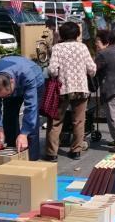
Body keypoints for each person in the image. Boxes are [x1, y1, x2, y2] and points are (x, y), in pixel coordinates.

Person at [45, 22, 97, 161]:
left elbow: (52, 70)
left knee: (55, 121)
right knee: (79, 121)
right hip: (81, 88)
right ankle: (76, 151)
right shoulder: (83, 47)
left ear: (61, 34)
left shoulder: (57, 48)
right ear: (77, 34)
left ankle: (52, 153)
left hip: (62, 89)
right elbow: (92, 69)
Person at [0, 56, 44, 161]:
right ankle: (12, 155)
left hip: (35, 80)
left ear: (11, 81)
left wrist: (24, 133)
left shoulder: (26, 74)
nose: (4, 99)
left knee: (31, 123)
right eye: (0, 97)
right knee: (9, 117)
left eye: (6, 95)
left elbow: (31, 108)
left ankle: (32, 158)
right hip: (12, 81)